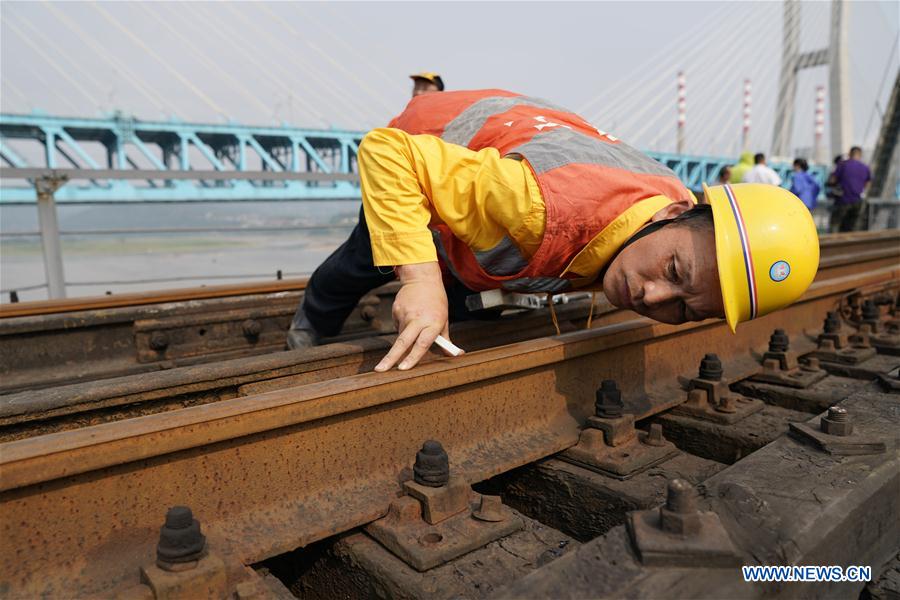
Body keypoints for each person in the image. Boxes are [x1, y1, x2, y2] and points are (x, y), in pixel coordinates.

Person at [287, 89, 819, 373]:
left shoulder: (675, 208)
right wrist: (419, 278)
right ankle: (310, 325)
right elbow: (388, 152)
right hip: (424, 167)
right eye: (674, 269)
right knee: (363, 263)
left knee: (464, 283)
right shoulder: (543, 207)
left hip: (486, 206)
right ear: (670, 216)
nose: (652, 296)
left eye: (683, 309)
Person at [829, 146, 871, 233]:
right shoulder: (865, 167)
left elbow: (833, 180)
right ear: (860, 155)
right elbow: (867, 183)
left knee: (835, 224)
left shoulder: (842, 165)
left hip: (842, 200)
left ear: (849, 154)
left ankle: (834, 245)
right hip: (858, 200)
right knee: (852, 226)